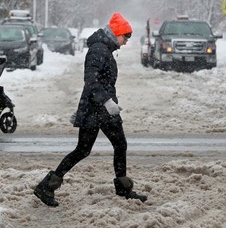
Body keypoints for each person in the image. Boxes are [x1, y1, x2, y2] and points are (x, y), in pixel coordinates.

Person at [34, 12, 148, 206]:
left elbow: (99, 82)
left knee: (106, 146)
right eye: (125, 37)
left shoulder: (104, 49)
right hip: (99, 110)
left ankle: (122, 188)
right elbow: (91, 80)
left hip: (99, 108)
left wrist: (91, 105)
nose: (126, 42)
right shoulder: (98, 50)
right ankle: (47, 186)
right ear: (116, 33)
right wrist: (105, 102)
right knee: (90, 149)